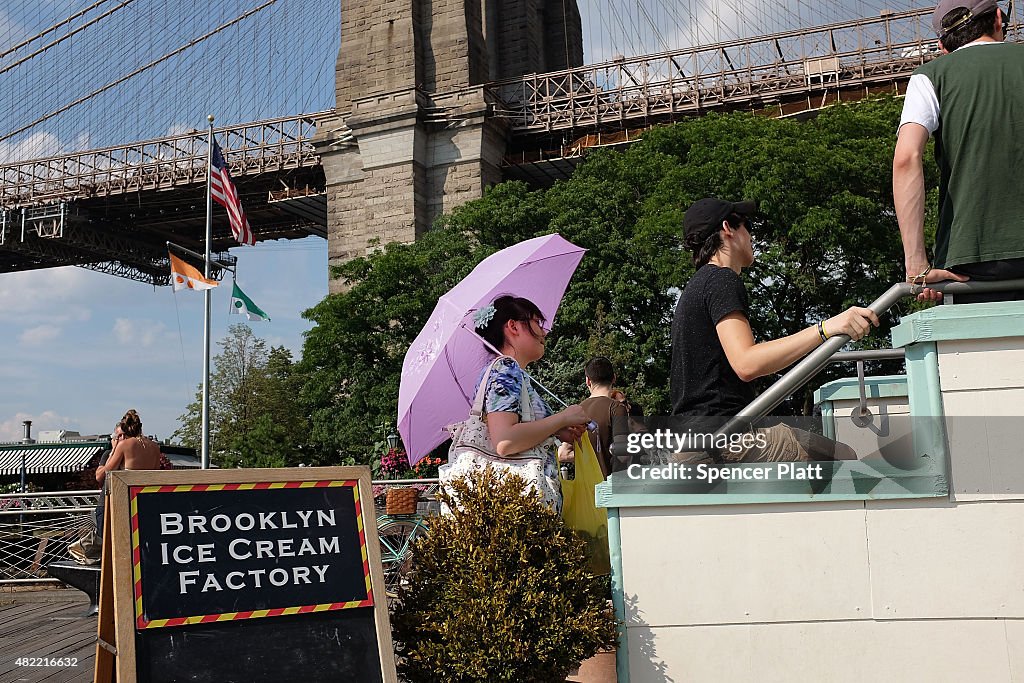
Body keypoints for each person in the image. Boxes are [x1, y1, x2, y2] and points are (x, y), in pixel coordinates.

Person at [671, 198, 877, 462]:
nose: (752, 235)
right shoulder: (721, 280)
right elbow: (746, 363)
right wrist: (826, 328)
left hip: (693, 443)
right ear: (728, 228)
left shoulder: (695, 288)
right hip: (725, 442)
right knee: (842, 457)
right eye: (747, 225)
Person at [893, 0, 1024, 303]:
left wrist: (917, 266)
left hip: (970, 258)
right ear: (997, 20)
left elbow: (906, 158)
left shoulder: (930, 76)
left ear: (942, 45)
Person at [471, 295, 590, 512]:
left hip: (522, 506)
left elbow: (517, 431)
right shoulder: (505, 370)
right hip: (524, 507)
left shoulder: (510, 373)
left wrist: (557, 429)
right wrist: (561, 418)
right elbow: (505, 441)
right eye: (537, 322)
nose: (544, 332)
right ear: (513, 326)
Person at [578, 356, 630, 477]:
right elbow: (623, 455)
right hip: (611, 487)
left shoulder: (577, 410)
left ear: (588, 381)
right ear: (614, 378)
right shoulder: (616, 408)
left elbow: (563, 454)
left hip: (585, 488)